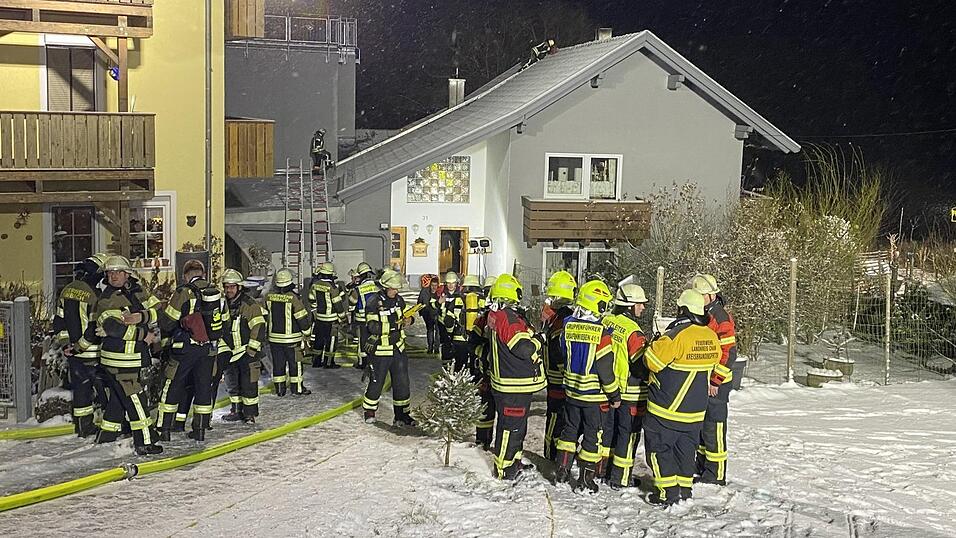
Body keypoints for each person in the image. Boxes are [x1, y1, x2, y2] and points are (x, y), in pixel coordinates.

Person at [643, 289, 721, 506]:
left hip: (667, 409)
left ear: (682, 309)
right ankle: (684, 490)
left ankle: (667, 492)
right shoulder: (711, 337)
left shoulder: (676, 335)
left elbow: (651, 362)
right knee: (686, 452)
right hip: (695, 411)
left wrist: (656, 343)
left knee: (659, 449)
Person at [78, 255, 163, 455]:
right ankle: (145, 442)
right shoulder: (106, 299)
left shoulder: (137, 291)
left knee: (117, 399)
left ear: (127, 274)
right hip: (120, 360)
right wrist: (144, 335)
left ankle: (107, 435)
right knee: (136, 400)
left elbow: (159, 309)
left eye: (118, 272)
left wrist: (141, 316)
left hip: (132, 357)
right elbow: (113, 327)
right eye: (110, 273)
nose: (114, 276)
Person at [554, 280, 620, 493]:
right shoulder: (602, 332)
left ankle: (561, 471)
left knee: (569, 431)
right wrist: (614, 394)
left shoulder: (567, 324)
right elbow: (605, 369)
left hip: (571, 391)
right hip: (593, 396)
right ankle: (585, 479)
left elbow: (563, 352)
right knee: (593, 436)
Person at [479, 274, 544, 480]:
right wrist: (537, 340)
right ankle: (504, 468)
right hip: (513, 385)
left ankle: (513, 460)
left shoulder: (496, 315)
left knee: (517, 427)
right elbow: (523, 348)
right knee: (511, 428)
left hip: (510, 383)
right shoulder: (507, 317)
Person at [157, 259, 226, 442]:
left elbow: (168, 322)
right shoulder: (216, 293)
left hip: (184, 348)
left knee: (173, 385)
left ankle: (164, 428)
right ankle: (200, 429)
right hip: (208, 350)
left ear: (186, 275)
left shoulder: (183, 292)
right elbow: (224, 322)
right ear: (202, 274)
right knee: (203, 388)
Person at [600, 283, 650, 489]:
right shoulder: (634, 333)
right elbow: (641, 366)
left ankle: (602, 470)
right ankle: (621, 478)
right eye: (640, 304)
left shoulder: (606, 321)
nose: (643, 308)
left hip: (610, 389)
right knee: (628, 435)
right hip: (631, 391)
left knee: (608, 431)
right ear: (630, 305)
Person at [53, 252, 108, 438]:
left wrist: (66, 345)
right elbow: (94, 327)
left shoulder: (67, 290)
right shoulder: (94, 295)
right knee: (106, 390)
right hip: (93, 353)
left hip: (73, 354)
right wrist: (81, 346)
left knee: (81, 391)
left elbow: (59, 322)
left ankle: (84, 427)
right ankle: (111, 427)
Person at [690, 274, 738, 486]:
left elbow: (729, 352)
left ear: (710, 295)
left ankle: (716, 473)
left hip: (717, 383)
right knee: (702, 427)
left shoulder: (720, 318)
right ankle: (702, 465)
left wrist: (716, 380)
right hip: (705, 380)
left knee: (714, 428)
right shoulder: (706, 314)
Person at [361, 271, 415, 426]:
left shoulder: (399, 300)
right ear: (384, 287)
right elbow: (372, 327)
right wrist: (394, 326)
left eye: (397, 289)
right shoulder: (373, 302)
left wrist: (409, 320)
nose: (395, 291)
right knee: (376, 382)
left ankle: (402, 415)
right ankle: (370, 412)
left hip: (398, 349)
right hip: (380, 351)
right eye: (393, 289)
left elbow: (405, 316)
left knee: (402, 383)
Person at [218, 269, 266, 423]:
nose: (228, 290)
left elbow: (258, 327)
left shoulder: (249, 305)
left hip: (247, 352)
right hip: (230, 353)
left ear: (239, 287)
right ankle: (236, 410)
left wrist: (251, 350)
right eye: (226, 287)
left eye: (232, 287)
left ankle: (250, 414)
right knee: (232, 384)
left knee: (249, 385)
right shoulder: (222, 304)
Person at [540, 270, 577, 461]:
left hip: (553, 379)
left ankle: (552, 453)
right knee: (558, 420)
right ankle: (552, 455)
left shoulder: (553, 318)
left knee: (555, 419)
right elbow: (559, 352)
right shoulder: (563, 321)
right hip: (561, 382)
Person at [266, 268, 313, 396]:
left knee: (278, 365)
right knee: (295, 364)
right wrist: (307, 333)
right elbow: (301, 318)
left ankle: (280, 389)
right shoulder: (293, 298)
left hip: (274, 339)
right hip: (291, 340)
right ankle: (297, 389)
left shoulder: (269, 296)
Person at [308, 262, 347, 368]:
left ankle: (316, 362)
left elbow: (311, 299)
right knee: (331, 341)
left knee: (319, 340)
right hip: (332, 319)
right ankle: (329, 362)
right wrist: (343, 318)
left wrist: (316, 311)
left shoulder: (315, 285)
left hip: (320, 318)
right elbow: (338, 304)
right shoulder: (333, 287)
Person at [351, 262, 379, 370]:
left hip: (361, 320)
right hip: (374, 319)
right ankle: (373, 361)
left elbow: (352, 302)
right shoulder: (377, 288)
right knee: (373, 340)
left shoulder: (358, 289)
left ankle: (362, 362)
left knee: (362, 342)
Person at [438, 271, 468, 371]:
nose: (450, 285)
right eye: (448, 283)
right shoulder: (441, 295)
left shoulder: (461, 296)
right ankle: (446, 370)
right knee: (445, 348)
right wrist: (438, 303)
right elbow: (432, 310)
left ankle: (456, 370)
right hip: (442, 325)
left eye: (453, 283)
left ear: (456, 283)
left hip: (455, 327)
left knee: (457, 349)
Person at [417, 275, 441, 354]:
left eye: (435, 285)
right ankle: (430, 347)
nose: (434, 287)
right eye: (432, 285)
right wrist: (421, 312)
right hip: (427, 314)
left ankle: (436, 348)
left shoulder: (440, 292)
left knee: (438, 331)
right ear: (430, 285)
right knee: (430, 330)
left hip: (438, 314)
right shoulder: (424, 291)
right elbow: (420, 302)